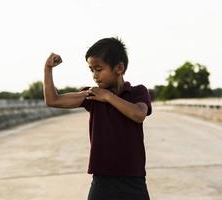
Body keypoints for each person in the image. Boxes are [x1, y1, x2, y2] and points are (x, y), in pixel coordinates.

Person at [44, 37, 152, 200]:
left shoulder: (137, 92)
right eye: (91, 70)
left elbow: (138, 114)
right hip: (102, 180)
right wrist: (47, 69)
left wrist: (108, 96)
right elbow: (53, 100)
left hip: (133, 180)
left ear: (119, 68)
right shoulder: (92, 95)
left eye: (98, 69)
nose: (94, 75)